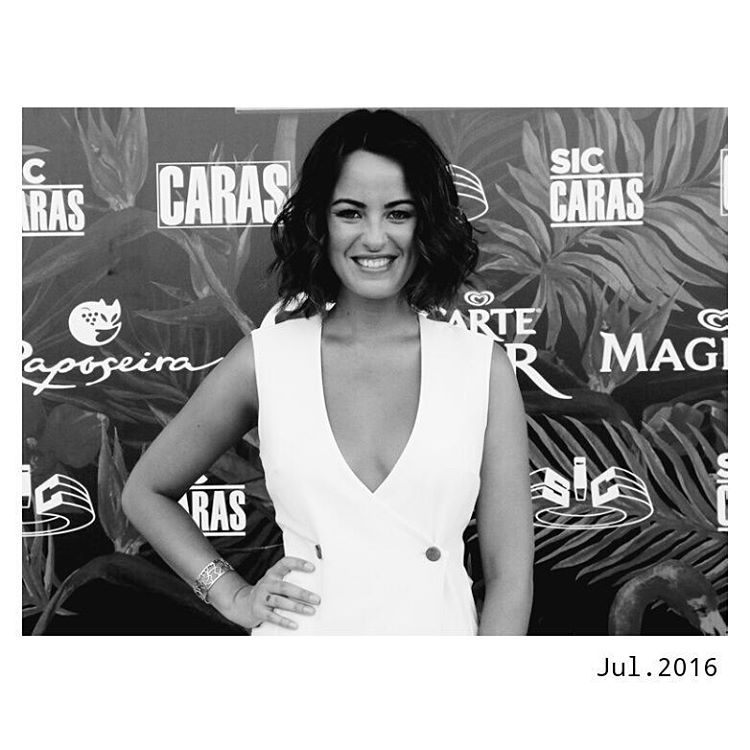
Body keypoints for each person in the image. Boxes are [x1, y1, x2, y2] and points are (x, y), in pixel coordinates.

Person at [122, 108, 534, 635]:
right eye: (350, 213)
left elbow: (509, 574)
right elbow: (145, 491)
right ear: (320, 222)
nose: (375, 237)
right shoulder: (266, 359)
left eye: (398, 213)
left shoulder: (480, 367)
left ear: (426, 223)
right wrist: (231, 594)